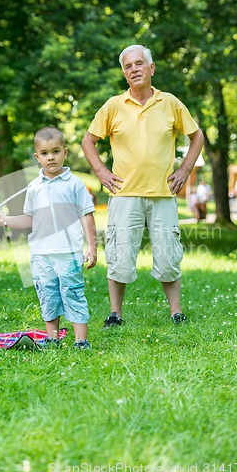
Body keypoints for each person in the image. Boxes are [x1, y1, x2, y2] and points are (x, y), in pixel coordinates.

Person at [82, 45, 204, 327]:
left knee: (168, 256)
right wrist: (100, 171)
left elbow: (197, 136)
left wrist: (185, 169)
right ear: (124, 74)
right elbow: (88, 141)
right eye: (128, 66)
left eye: (139, 64)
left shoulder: (170, 102)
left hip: (163, 193)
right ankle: (116, 314)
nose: (134, 69)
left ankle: (176, 313)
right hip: (125, 194)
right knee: (120, 257)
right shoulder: (113, 105)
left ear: (152, 68)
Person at [0, 127, 97, 349]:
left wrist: (92, 246)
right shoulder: (34, 187)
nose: (51, 157)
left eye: (56, 151)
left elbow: (87, 215)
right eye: (44, 153)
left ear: (65, 152)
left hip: (68, 253)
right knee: (48, 295)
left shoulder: (74, 184)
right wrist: (1, 220)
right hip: (41, 254)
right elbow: (29, 219)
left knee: (73, 294)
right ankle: (52, 339)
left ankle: (81, 341)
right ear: (37, 157)